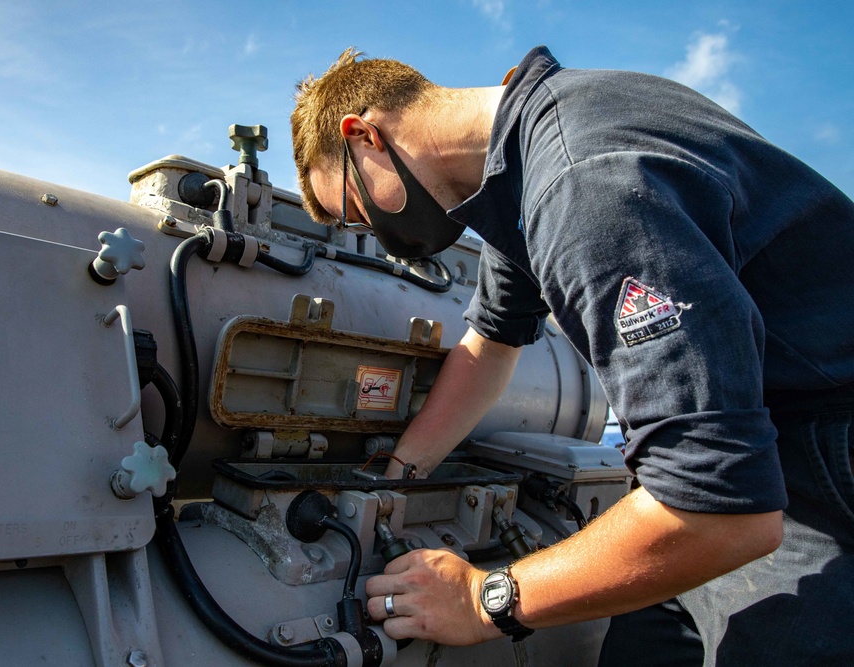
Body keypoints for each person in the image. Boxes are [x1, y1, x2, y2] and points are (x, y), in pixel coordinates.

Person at [290, 46, 854, 665]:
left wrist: (484, 600)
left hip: (821, 453)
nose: (379, 236)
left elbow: (721, 510)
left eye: (362, 210)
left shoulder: (582, 184)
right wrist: (395, 472)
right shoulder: (522, 163)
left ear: (364, 135)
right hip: (750, 441)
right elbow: (491, 342)